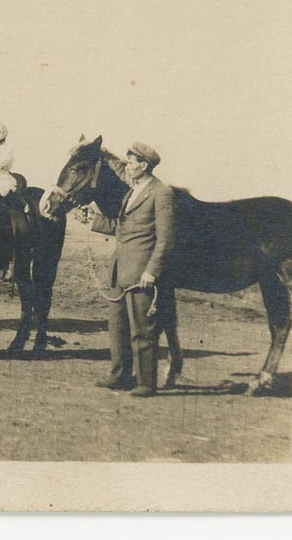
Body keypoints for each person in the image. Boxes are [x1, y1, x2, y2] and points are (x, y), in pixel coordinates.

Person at [88, 142, 176, 398]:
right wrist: (93, 221)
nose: (127, 167)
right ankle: (120, 376)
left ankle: (147, 383)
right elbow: (122, 227)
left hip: (141, 275)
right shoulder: (132, 192)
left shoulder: (161, 193)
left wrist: (152, 271)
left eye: (130, 163)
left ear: (144, 165)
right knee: (117, 327)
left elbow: (165, 239)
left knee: (142, 329)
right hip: (119, 272)